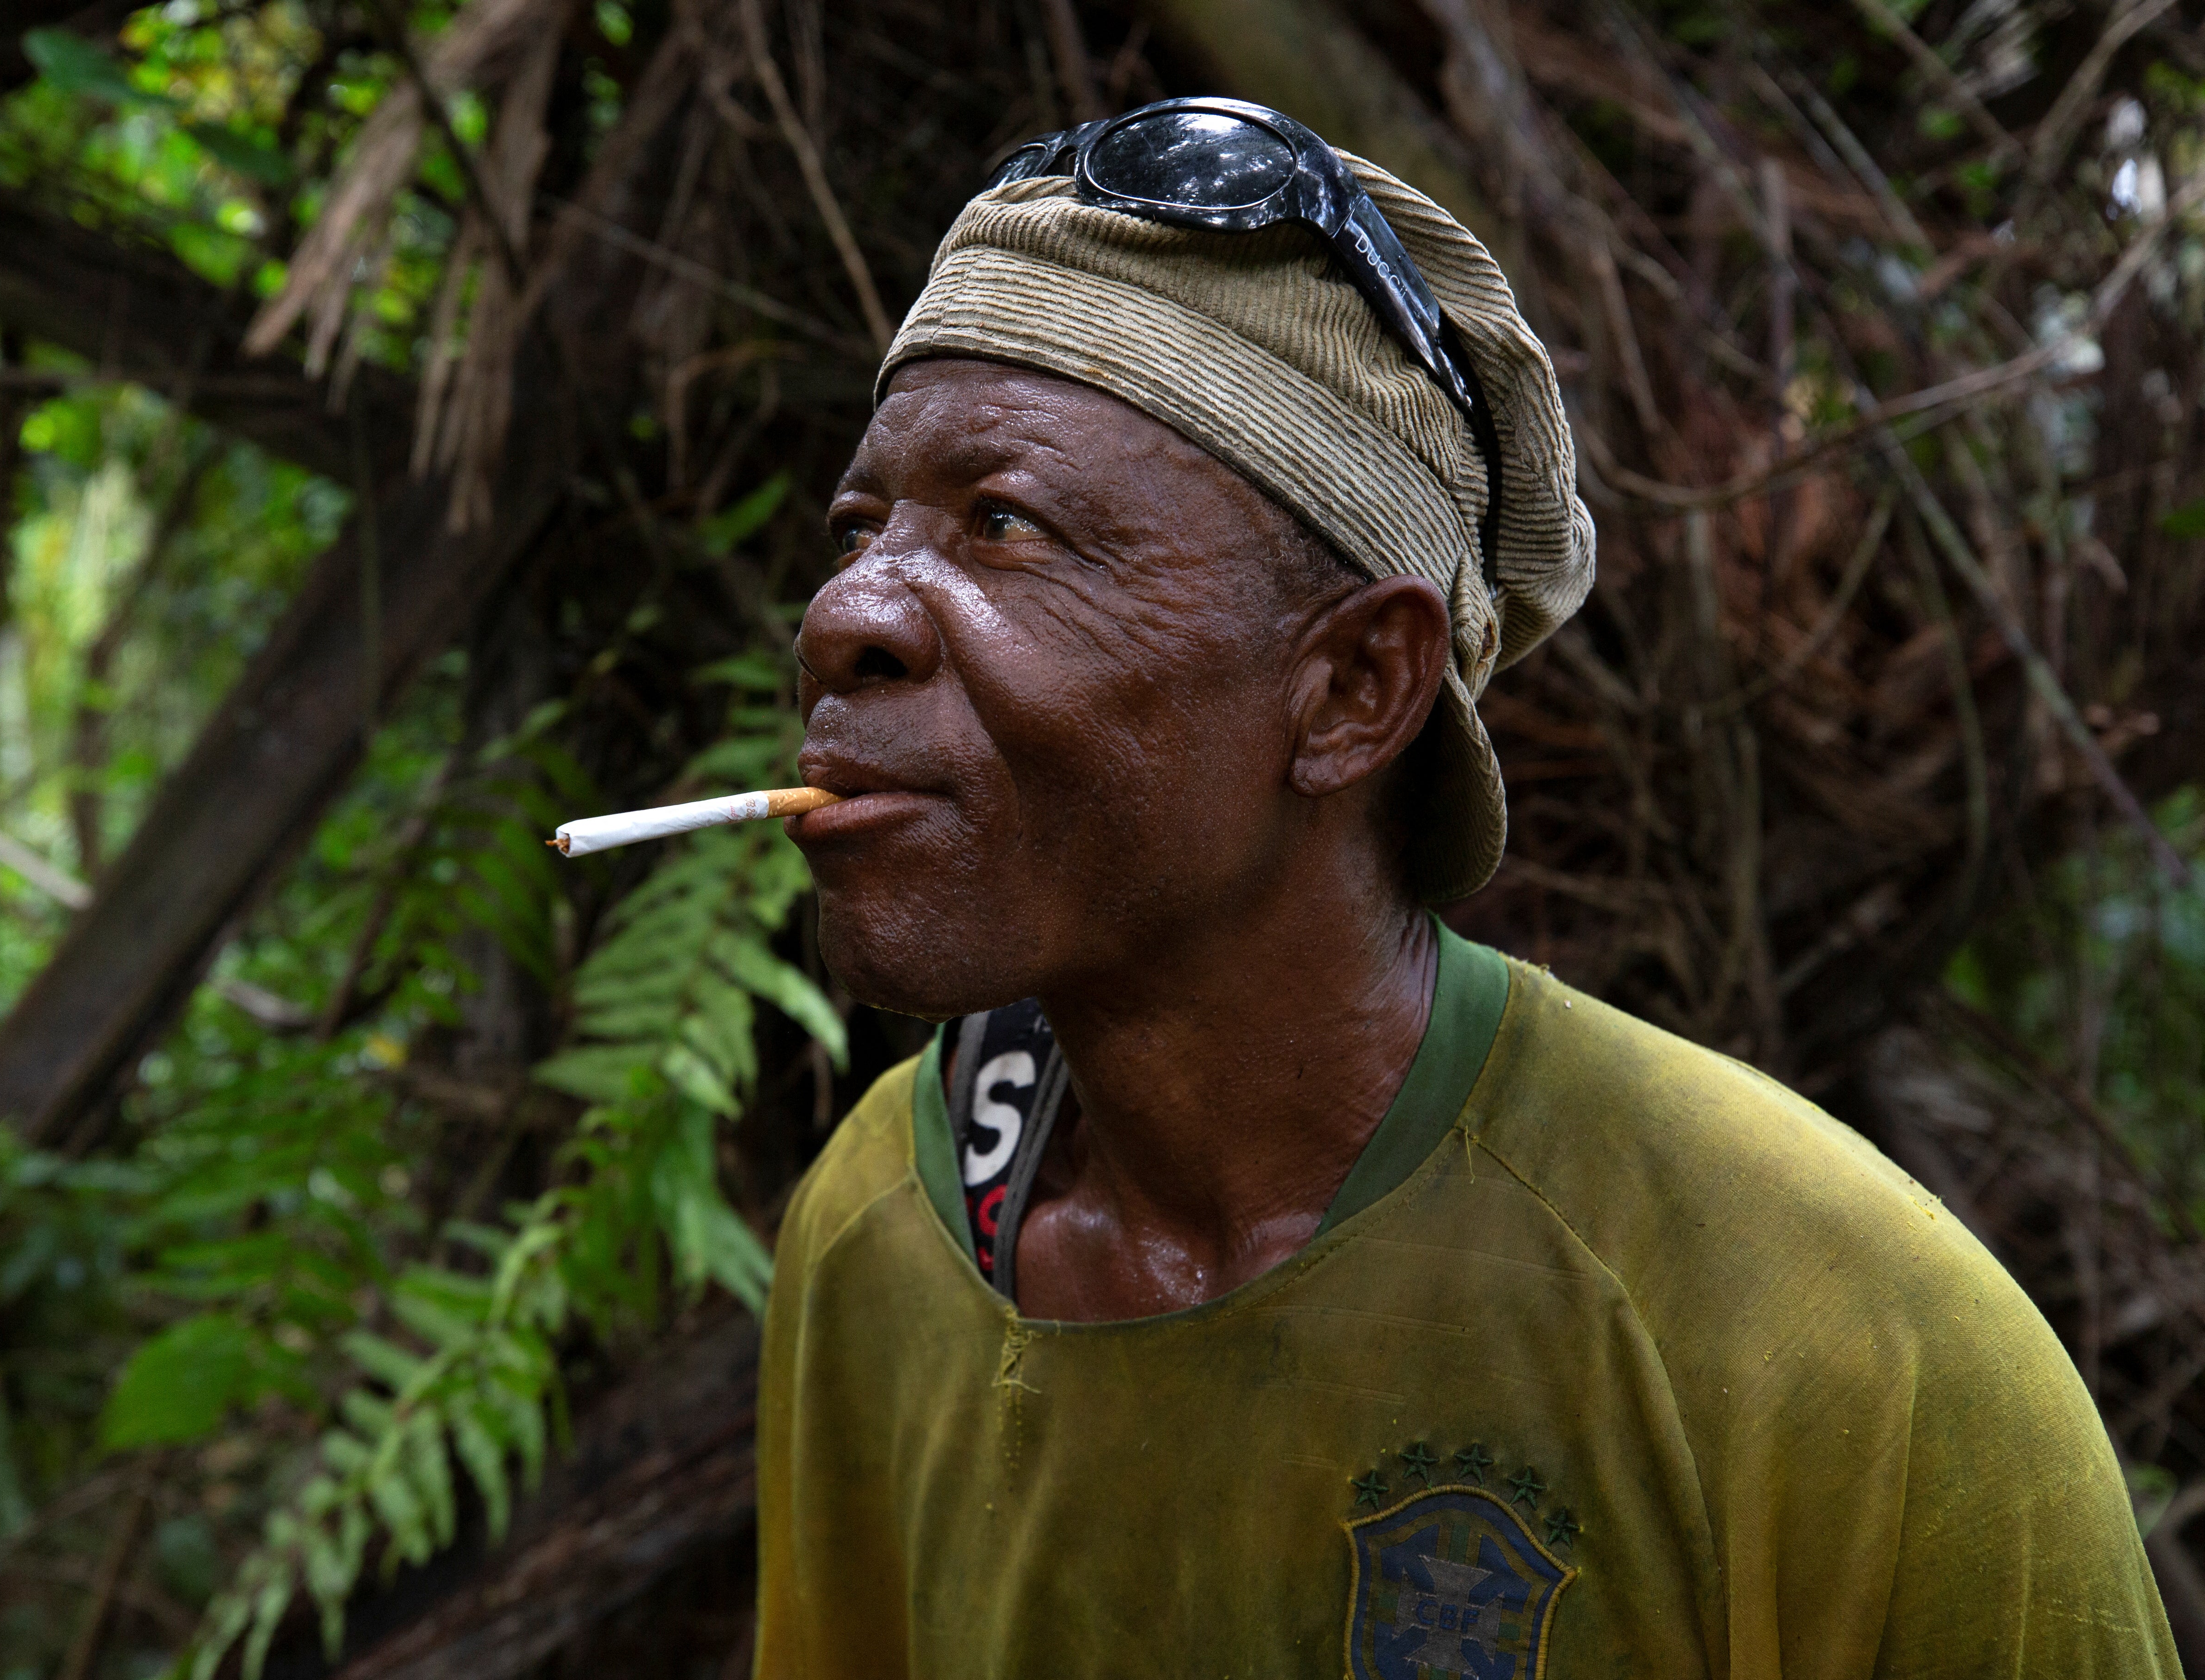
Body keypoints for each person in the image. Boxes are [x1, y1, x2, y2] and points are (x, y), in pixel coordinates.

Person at [752, 97, 2176, 1679]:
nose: (847, 613)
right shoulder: (885, 1236)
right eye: (861, 525)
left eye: (1006, 528)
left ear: (1358, 685)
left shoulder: (1835, 1341)